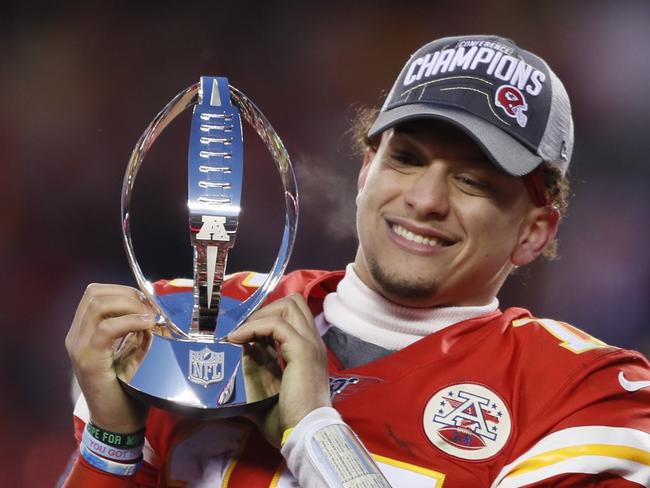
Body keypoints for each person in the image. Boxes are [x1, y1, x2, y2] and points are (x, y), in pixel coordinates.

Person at [62, 35, 650, 487]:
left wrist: (317, 435)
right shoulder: (196, 325)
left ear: (534, 232)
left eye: (471, 181)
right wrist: (112, 443)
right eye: (407, 159)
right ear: (367, 169)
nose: (425, 200)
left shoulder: (585, 396)